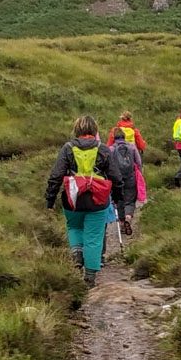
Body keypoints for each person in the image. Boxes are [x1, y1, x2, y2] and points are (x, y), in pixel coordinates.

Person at [45, 114, 132, 286]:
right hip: (97, 199)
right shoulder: (103, 149)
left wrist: (50, 199)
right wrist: (117, 198)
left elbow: (56, 176)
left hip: (73, 198)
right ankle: (90, 278)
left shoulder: (68, 148)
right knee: (94, 235)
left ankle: (77, 252)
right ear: (94, 130)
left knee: (74, 226)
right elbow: (116, 178)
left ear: (77, 130)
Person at [108, 128, 143, 237]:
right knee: (130, 200)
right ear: (124, 137)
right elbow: (139, 162)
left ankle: (122, 223)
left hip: (117, 178)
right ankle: (128, 217)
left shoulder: (111, 149)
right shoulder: (132, 147)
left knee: (119, 200)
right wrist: (139, 174)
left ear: (114, 138)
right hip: (130, 177)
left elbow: (108, 165)